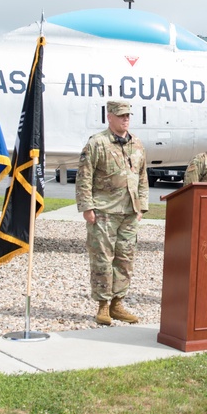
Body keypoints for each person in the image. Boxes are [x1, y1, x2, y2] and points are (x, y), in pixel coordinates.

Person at [75, 100, 149, 325]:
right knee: (102, 260)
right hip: (104, 211)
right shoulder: (97, 143)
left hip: (129, 212)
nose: (125, 119)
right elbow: (84, 177)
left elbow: (143, 177)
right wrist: (87, 207)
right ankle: (103, 306)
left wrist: (142, 207)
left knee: (125, 260)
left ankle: (118, 304)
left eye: (128, 115)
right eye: (121, 116)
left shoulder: (136, 144)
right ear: (110, 117)